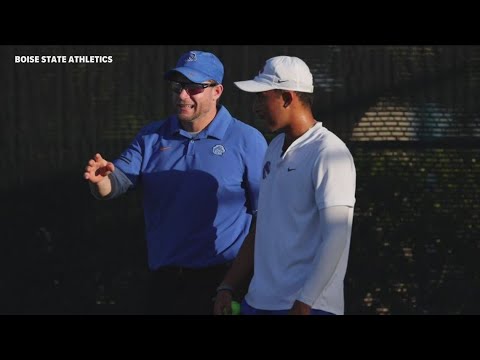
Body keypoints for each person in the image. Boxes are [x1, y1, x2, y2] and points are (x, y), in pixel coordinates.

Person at [84, 50, 267, 315]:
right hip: (165, 282)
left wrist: (234, 285)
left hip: (225, 283)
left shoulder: (248, 140)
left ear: (217, 91)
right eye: (178, 87)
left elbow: (265, 216)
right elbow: (116, 182)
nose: (182, 95)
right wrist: (99, 181)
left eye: (194, 88)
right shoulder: (151, 136)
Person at [213, 56, 356, 315]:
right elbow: (262, 226)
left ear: (287, 98)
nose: (256, 107)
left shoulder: (330, 152)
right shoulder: (274, 147)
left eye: (261, 97)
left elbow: (337, 235)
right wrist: (228, 286)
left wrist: (305, 302)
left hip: (310, 308)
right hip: (257, 303)